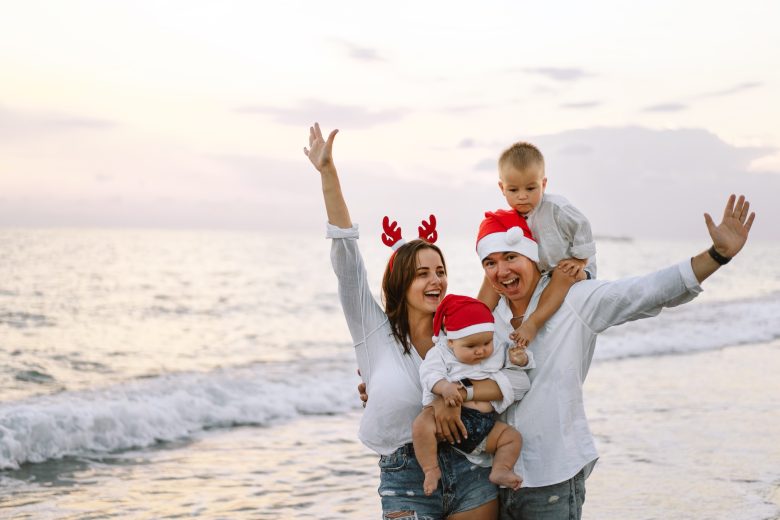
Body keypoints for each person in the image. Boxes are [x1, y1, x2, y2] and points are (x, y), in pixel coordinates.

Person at [468, 196, 755, 519]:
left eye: (510, 257)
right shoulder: (488, 320)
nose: (502, 271)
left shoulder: (575, 300)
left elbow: (646, 291)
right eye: (490, 263)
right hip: (490, 479)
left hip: (553, 478)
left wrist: (717, 256)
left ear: (534, 257)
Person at [304, 122, 528, 519]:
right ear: (400, 281)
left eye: (440, 271)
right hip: (407, 479)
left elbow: (509, 371)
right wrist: (329, 175)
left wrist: (459, 392)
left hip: (473, 470)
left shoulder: (466, 331)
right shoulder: (374, 332)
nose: (435, 280)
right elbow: (346, 259)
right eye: (422, 273)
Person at [480, 141, 596, 348]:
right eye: (513, 190)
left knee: (562, 273)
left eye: (531, 188)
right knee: (496, 275)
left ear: (543, 184)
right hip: (543, 273)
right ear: (502, 188)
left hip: (572, 268)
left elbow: (582, 226)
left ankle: (533, 323)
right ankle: (474, 320)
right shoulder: (514, 216)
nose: (522, 196)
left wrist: (580, 259)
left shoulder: (555, 207)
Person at [413, 294, 529, 496]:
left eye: (486, 343)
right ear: (451, 342)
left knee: (512, 437)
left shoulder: (496, 349)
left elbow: (517, 373)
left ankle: (501, 469)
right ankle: (430, 469)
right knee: (421, 425)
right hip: (449, 421)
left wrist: (520, 359)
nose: (481, 351)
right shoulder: (440, 353)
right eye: (471, 346)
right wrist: (444, 387)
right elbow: (429, 374)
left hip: (486, 426)